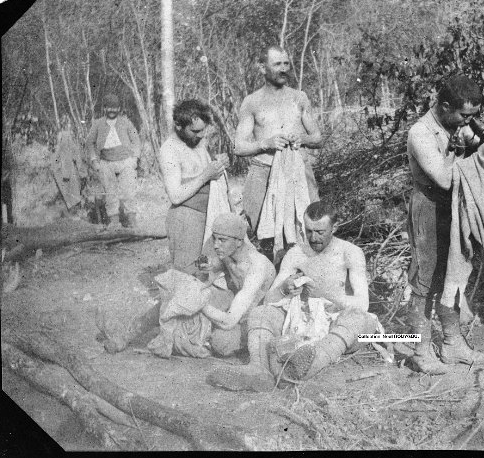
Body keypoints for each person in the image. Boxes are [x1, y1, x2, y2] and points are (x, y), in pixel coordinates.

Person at [206, 200, 377, 392]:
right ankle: (258, 369)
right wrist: (283, 290)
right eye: (309, 230)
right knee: (261, 312)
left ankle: (302, 368)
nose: (314, 238)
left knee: (357, 319)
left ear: (334, 227)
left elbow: (363, 304)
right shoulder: (296, 253)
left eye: (320, 232)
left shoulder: (351, 253)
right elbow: (270, 299)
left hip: (337, 324)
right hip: (301, 321)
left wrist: (326, 293)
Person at [404, 75, 484, 375]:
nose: (467, 121)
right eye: (464, 115)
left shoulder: (454, 125)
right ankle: (419, 349)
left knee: (453, 273)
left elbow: (480, 148)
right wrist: (462, 152)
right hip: (429, 206)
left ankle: (452, 343)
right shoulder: (421, 132)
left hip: (453, 206)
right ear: (444, 106)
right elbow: (442, 178)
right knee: (425, 278)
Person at [100, 213, 276, 358]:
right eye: (215, 239)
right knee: (179, 300)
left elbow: (229, 321)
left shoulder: (256, 267)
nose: (216, 245)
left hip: (253, 317)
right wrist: (206, 265)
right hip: (234, 305)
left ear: (239, 241)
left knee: (221, 342)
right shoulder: (230, 252)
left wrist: (199, 303)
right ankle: (125, 336)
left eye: (222, 240)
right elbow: (212, 264)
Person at [233, 45, 322, 259]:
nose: (283, 69)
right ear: (262, 68)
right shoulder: (252, 102)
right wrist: (266, 143)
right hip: (263, 173)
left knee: (310, 225)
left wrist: (303, 139)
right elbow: (238, 147)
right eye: (277, 64)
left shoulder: (299, 98)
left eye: (286, 64)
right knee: (260, 234)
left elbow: (318, 138)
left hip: (299, 172)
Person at [159, 99, 229, 274]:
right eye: (195, 131)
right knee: (188, 272)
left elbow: (206, 171)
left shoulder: (198, 142)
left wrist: (219, 163)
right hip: (186, 220)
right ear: (178, 126)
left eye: (203, 130)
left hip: (208, 217)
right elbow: (175, 196)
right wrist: (206, 175)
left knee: (206, 270)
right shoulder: (170, 149)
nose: (200, 135)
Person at [85, 93, 142, 228]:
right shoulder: (98, 124)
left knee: (129, 191)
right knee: (110, 193)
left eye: (115, 108)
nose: (112, 111)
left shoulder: (125, 122)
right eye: (108, 108)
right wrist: (94, 160)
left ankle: (132, 221)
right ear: (104, 108)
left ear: (119, 109)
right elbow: (89, 143)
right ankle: (114, 222)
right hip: (106, 162)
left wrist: (135, 158)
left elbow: (136, 140)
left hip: (125, 161)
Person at [51, 115, 88, 216]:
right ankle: (72, 212)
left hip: (68, 165)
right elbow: (60, 151)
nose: (69, 125)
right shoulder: (64, 135)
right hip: (66, 165)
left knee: (72, 188)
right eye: (68, 123)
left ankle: (74, 211)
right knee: (70, 188)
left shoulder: (66, 135)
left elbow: (74, 152)